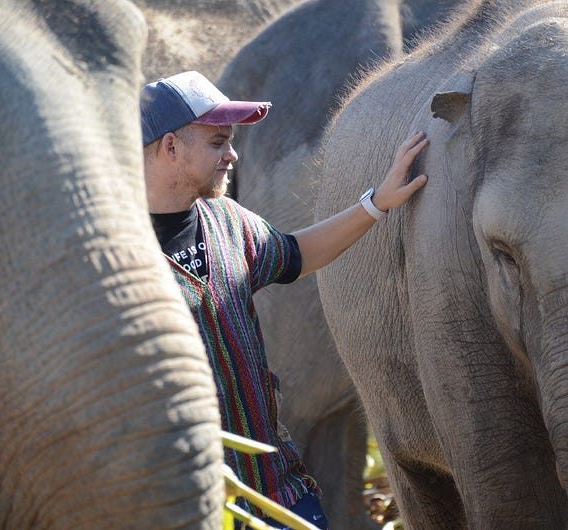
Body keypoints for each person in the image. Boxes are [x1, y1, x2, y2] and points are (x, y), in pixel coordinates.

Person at [140, 70, 428, 529]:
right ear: (170, 146)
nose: (232, 155)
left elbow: (297, 254)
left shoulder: (228, 221)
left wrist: (377, 203)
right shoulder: (116, 253)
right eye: (218, 143)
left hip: (278, 492)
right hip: (186, 509)